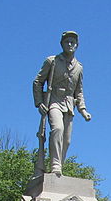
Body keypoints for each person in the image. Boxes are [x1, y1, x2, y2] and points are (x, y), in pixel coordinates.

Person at [32, 31, 92, 176]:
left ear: (77, 45)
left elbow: (79, 91)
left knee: (67, 140)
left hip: (69, 105)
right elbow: (37, 82)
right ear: (62, 44)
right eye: (67, 42)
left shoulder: (79, 67)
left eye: (72, 42)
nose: (70, 44)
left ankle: (59, 167)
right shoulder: (52, 61)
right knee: (57, 129)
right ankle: (55, 165)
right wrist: (39, 102)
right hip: (53, 101)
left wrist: (83, 110)